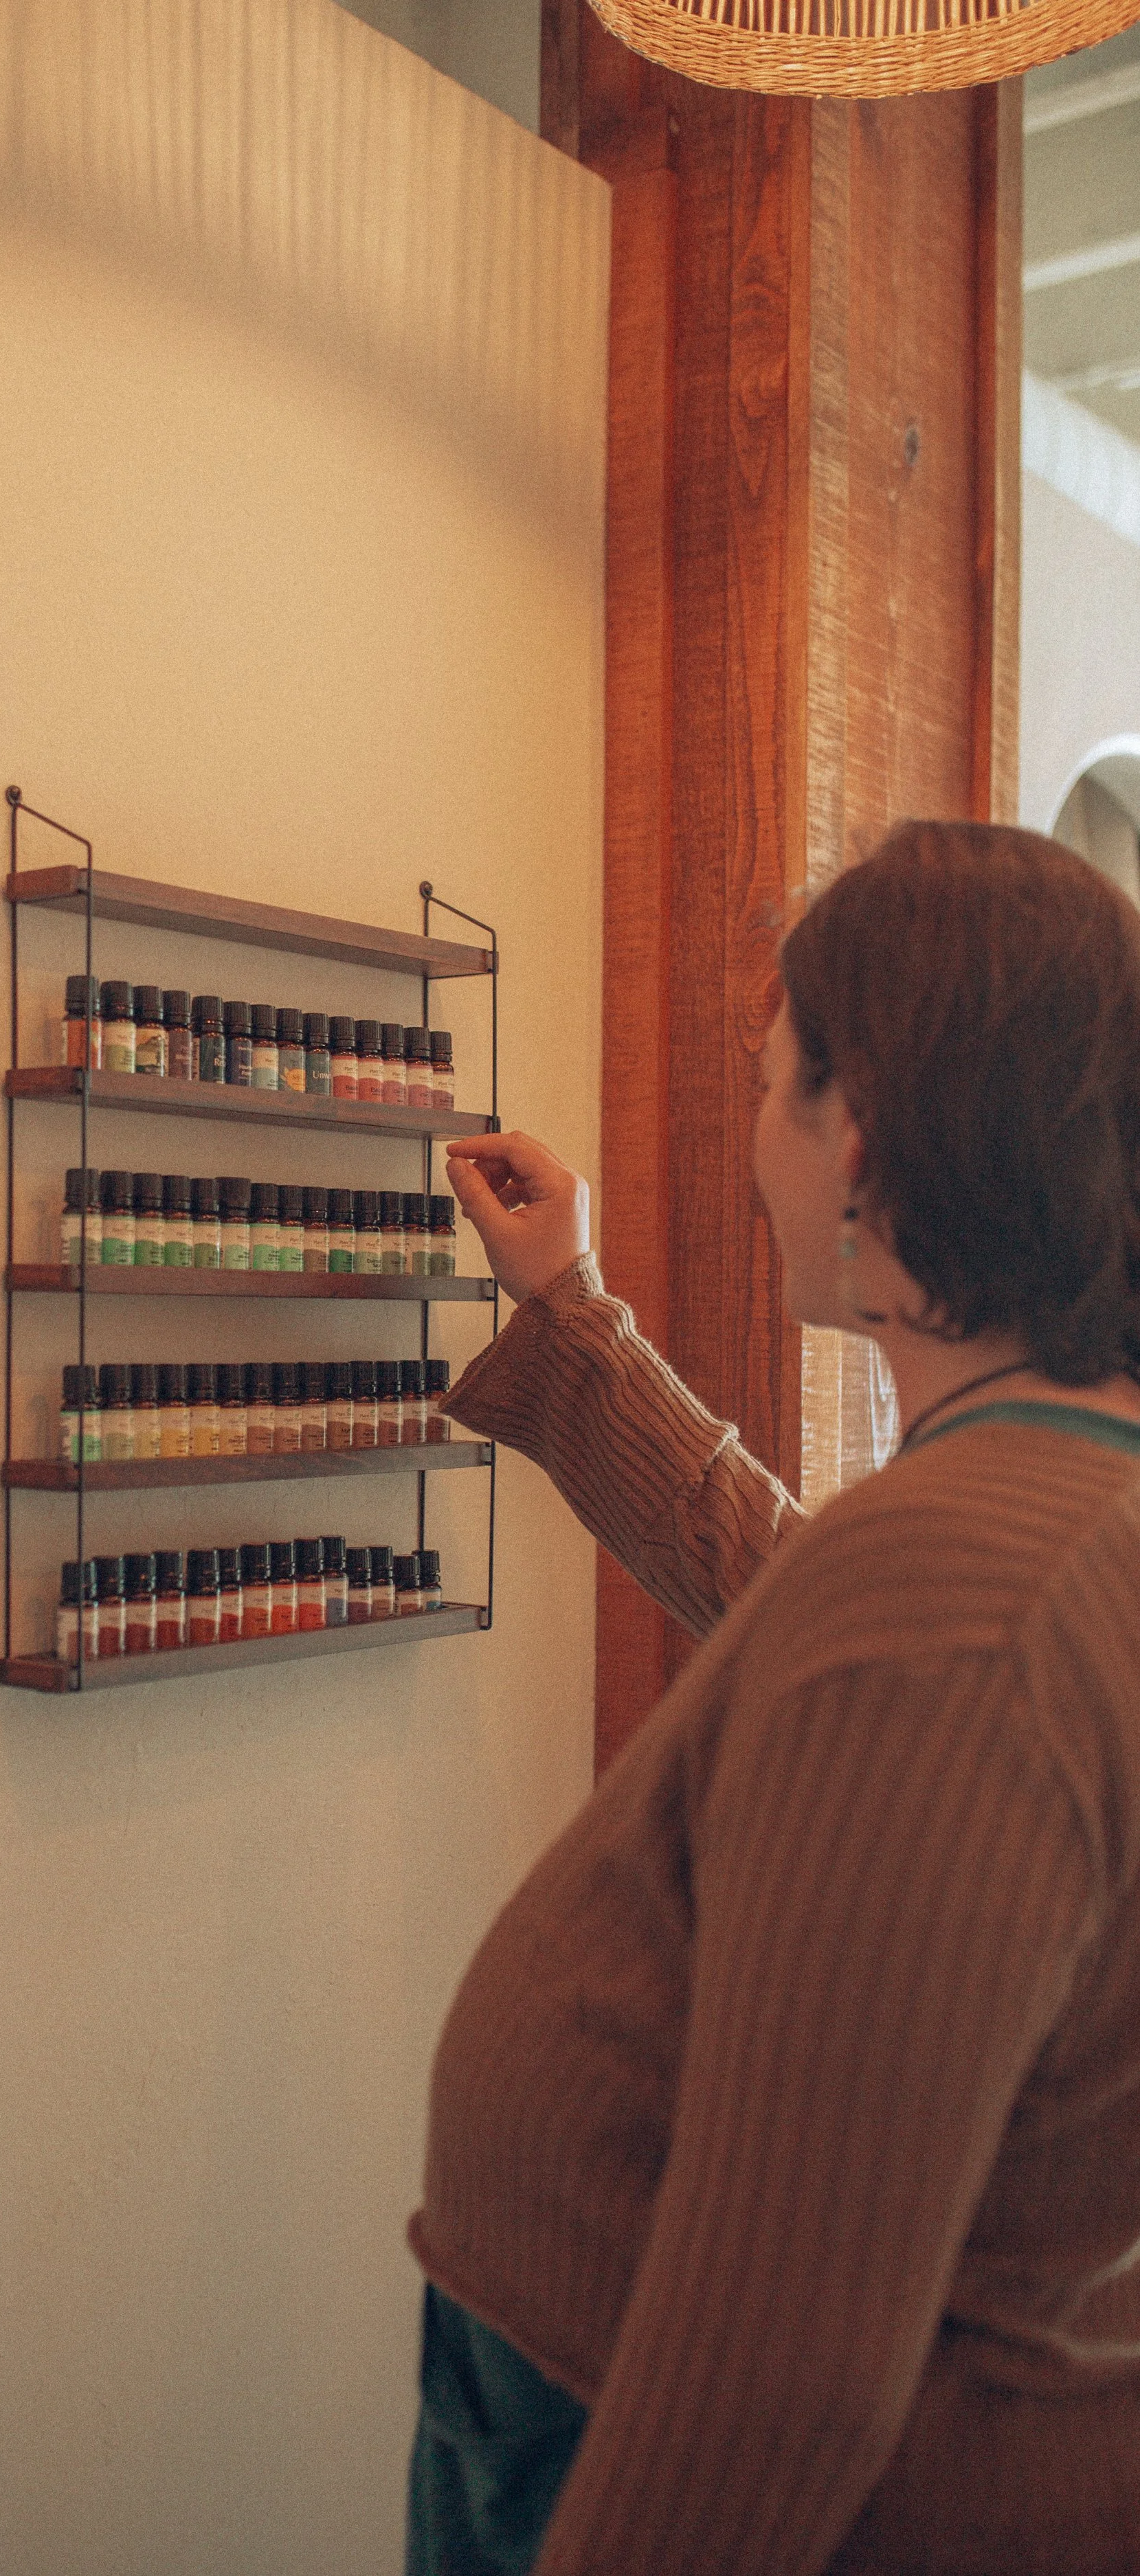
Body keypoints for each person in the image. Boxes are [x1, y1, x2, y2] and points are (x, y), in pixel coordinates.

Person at [405, 820, 1140, 2576]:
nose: (749, 1139)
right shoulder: (1048, 1501)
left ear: (859, 1124)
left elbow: (772, 2385)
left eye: (765, 1084)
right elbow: (790, 1593)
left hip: (631, 2450)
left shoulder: (964, 1599)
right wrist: (572, 1320)